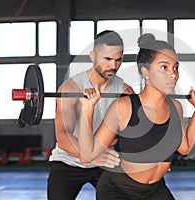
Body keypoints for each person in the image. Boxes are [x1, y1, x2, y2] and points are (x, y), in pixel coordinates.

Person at [78, 33, 195, 200]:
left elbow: (184, 148)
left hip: (155, 190)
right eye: (164, 67)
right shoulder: (123, 107)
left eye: (175, 67)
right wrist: (88, 109)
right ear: (145, 71)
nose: (173, 74)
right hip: (117, 190)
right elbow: (87, 155)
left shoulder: (176, 107)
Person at [47, 30, 134, 200]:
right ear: (92, 56)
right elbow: (63, 136)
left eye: (118, 60)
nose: (113, 66)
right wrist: (92, 155)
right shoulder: (71, 88)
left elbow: (131, 136)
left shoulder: (125, 92)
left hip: (106, 161)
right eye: (107, 59)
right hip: (68, 161)